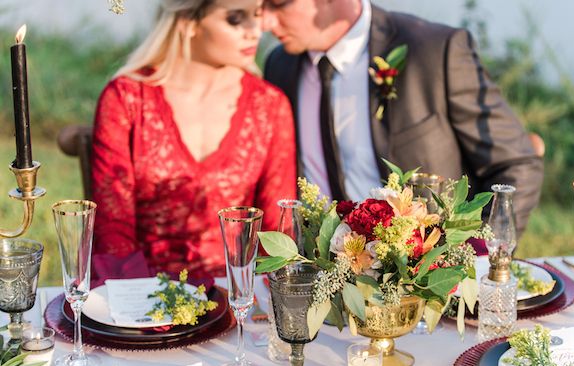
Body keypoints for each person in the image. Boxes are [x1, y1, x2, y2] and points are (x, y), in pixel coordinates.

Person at [261, 0, 543, 236]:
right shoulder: (279, 66)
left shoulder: (434, 50)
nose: (265, 23)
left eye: (278, 4)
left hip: (431, 286)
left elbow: (516, 164)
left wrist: (480, 258)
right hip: (323, 282)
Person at [91, 0, 296, 281]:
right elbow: (113, 230)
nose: (255, 31)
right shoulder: (126, 98)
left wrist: (259, 305)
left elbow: (278, 229)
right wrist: (138, 307)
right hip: (143, 291)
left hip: (237, 293)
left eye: (257, 15)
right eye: (236, 19)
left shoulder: (270, 105)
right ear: (188, 21)